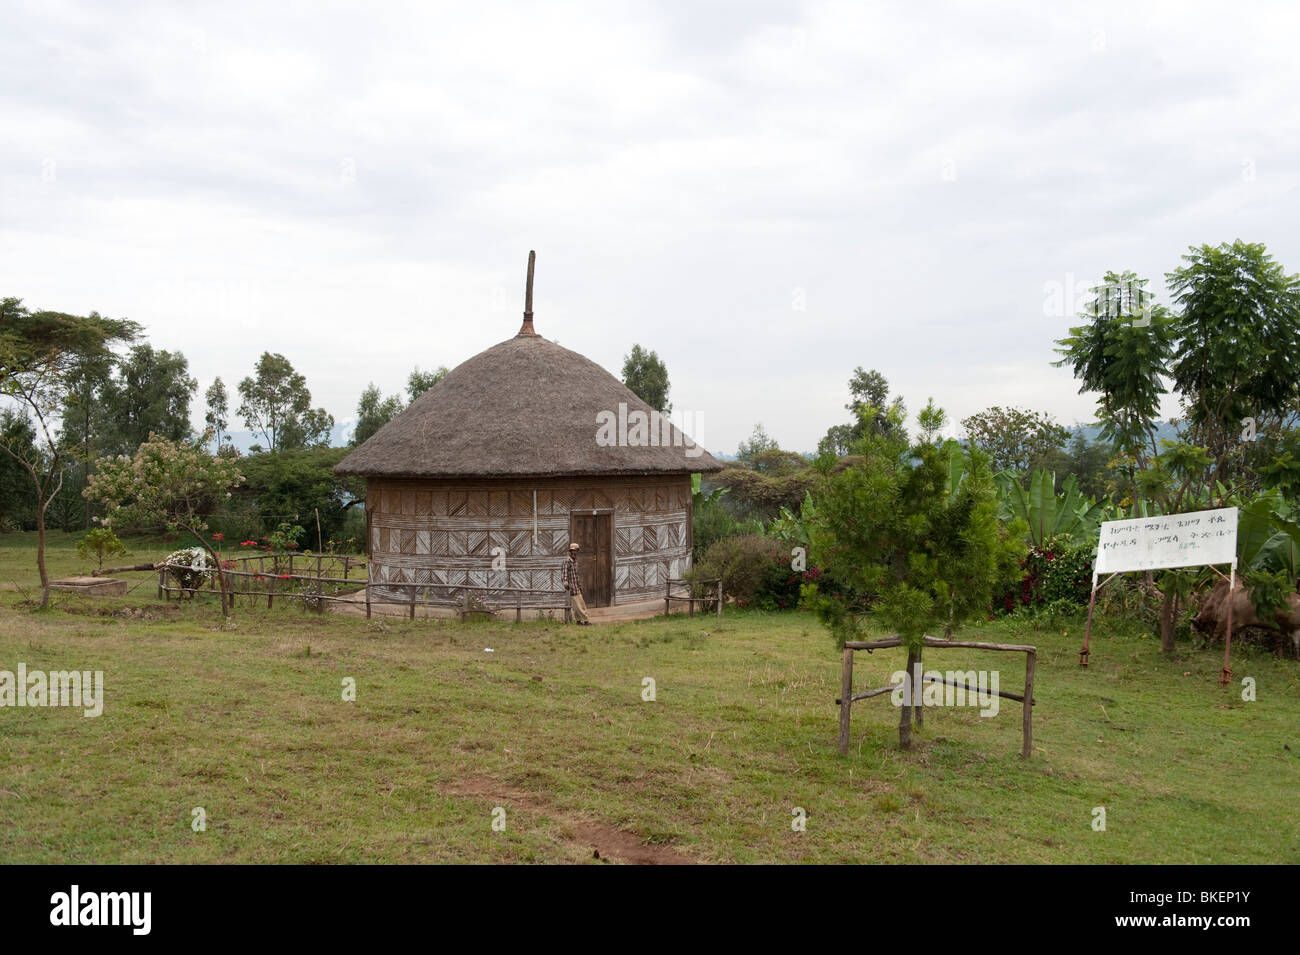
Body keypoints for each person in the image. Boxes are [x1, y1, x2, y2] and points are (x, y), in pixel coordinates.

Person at [563, 541, 592, 625]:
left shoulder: (575, 562)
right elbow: (564, 573)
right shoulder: (567, 561)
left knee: (580, 604)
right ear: (571, 551)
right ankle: (585, 621)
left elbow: (576, 576)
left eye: (577, 551)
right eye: (574, 551)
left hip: (576, 587)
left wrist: (580, 586)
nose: (575, 552)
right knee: (578, 606)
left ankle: (579, 621)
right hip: (571, 587)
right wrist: (565, 582)